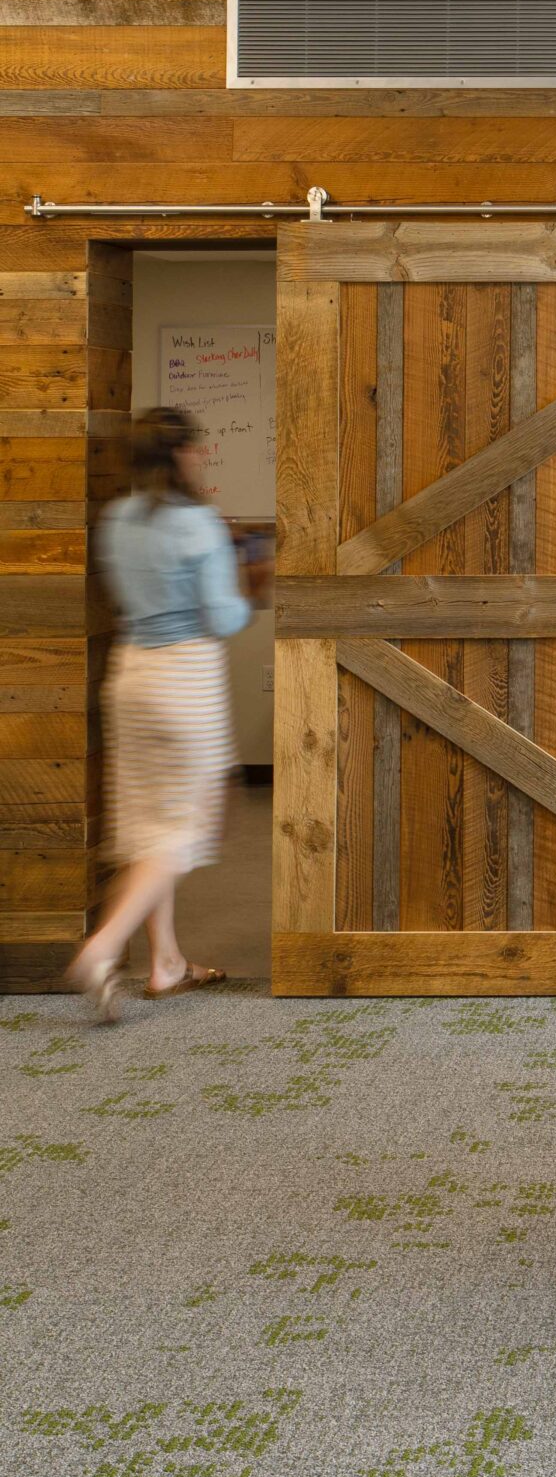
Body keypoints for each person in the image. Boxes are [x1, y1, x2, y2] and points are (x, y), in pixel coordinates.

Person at [63, 406, 270, 1021]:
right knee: (182, 830)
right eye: (196, 448)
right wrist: (255, 576)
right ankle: (101, 949)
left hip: (130, 675)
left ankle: (166, 964)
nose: (201, 456)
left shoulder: (116, 519)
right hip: (185, 679)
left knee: (148, 823)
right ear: (180, 455)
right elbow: (224, 618)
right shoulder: (198, 524)